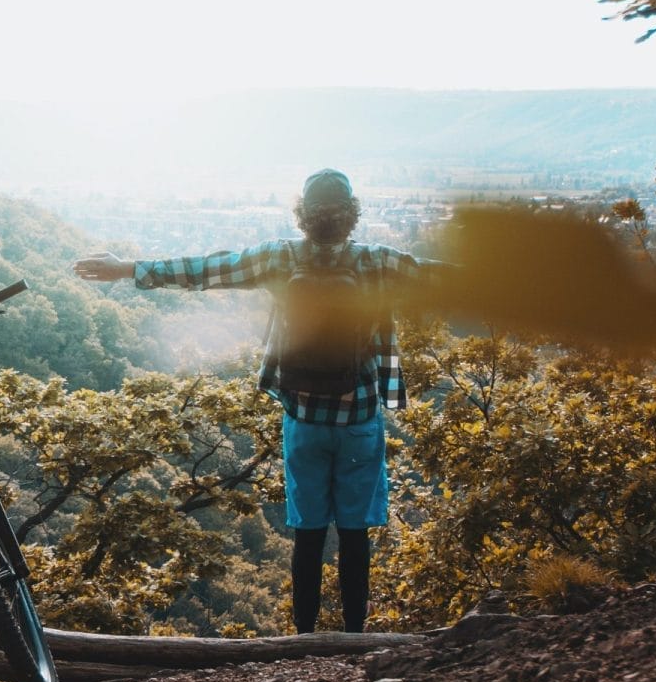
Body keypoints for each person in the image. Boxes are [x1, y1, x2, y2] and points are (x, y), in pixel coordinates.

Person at [73, 168, 435, 635]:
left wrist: (127, 269)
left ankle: (304, 637)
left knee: (307, 534)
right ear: (352, 215)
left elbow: (205, 270)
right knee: (354, 533)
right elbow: (446, 279)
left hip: (302, 417)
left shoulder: (279, 258)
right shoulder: (378, 262)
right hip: (359, 418)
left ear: (303, 215)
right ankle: (353, 638)